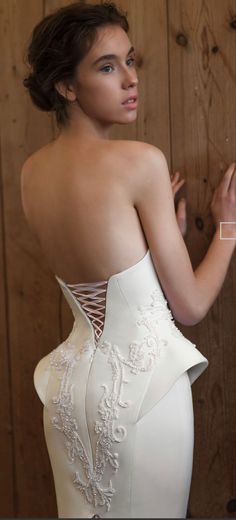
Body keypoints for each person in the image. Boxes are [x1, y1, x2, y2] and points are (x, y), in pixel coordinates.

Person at [21, 1, 236, 518]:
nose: (130, 79)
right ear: (66, 87)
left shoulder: (32, 174)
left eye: (130, 60)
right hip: (146, 395)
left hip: (70, 397)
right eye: (107, 66)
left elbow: (106, 279)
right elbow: (189, 308)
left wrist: (156, 249)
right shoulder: (139, 162)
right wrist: (228, 227)